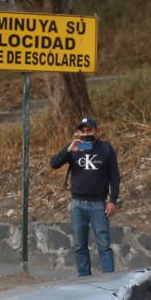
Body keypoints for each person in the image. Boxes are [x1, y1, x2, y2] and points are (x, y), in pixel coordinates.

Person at [49, 116, 121, 276]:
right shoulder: (73, 148)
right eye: (83, 130)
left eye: (89, 130)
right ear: (78, 131)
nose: (86, 133)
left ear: (96, 131)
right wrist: (68, 150)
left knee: (104, 245)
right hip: (77, 204)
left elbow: (114, 176)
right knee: (80, 245)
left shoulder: (106, 148)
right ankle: (84, 280)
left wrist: (113, 200)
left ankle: (109, 280)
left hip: (98, 204)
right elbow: (54, 164)